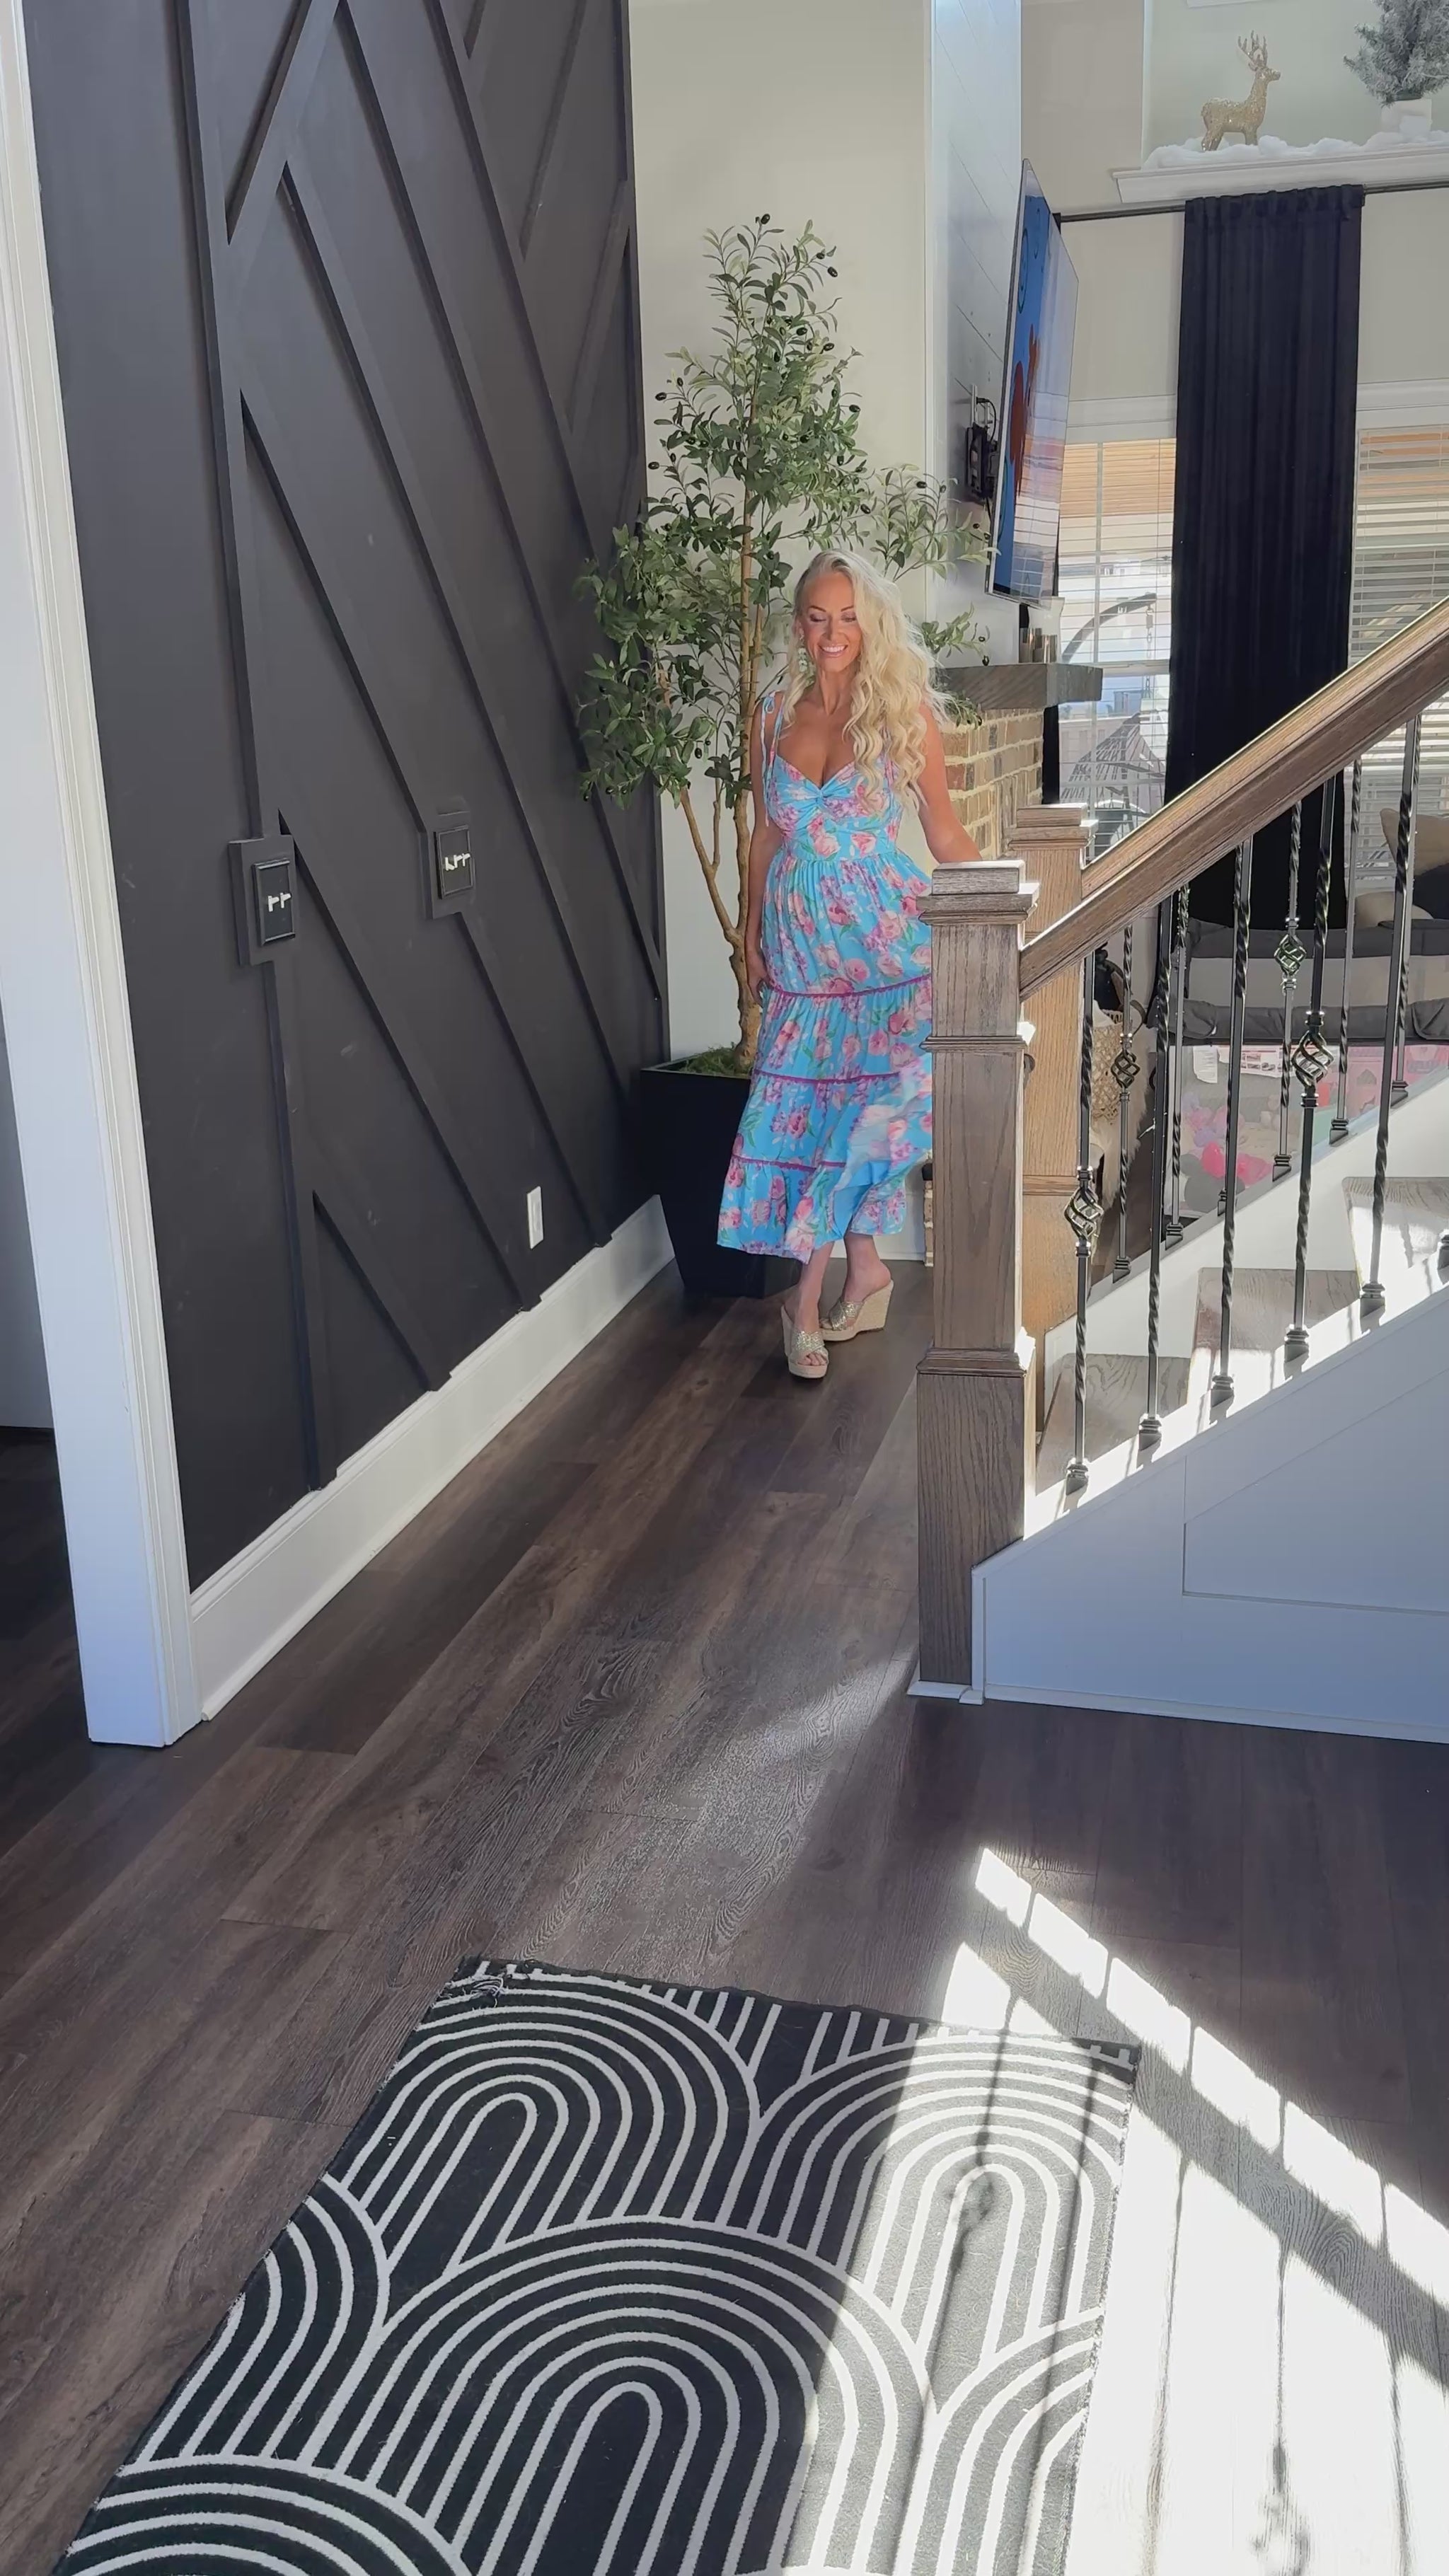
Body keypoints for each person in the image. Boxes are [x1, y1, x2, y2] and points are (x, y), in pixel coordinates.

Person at [718, 550, 983, 1380]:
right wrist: (750, 931)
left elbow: (941, 831)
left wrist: (999, 904)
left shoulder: (902, 713)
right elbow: (767, 833)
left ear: (868, 623)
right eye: (816, 617)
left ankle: (801, 1303)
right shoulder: (771, 713)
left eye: (846, 617)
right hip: (804, 958)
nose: (832, 633)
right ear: (798, 625)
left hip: (882, 948)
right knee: (815, 1117)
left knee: (864, 1113)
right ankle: (864, 1269)